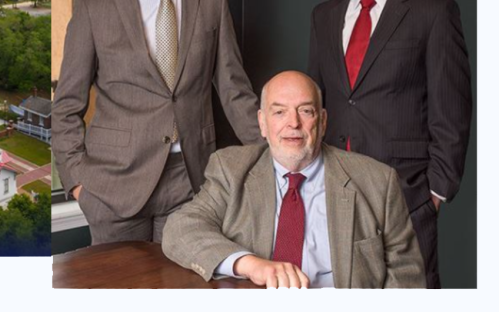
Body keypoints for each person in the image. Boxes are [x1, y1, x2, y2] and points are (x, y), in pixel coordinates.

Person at [52, 0, 259, 244]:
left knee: (184, 278)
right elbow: (67, 104)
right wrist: (77, 182)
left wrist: (276, 158)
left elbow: (234, 91)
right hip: (113, 185)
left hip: (191, 180)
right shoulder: (93, 6)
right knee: (122, 280)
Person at [308, 0, 472, 288]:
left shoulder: (434, 12)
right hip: (333, 191)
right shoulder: (324, 15)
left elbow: (452, 111)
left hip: (406, 192)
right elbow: (316, 100)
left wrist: (434, 193)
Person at [162, 71, 425, 289]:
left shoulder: (377, 182)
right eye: (279, 112)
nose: (293, 123)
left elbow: (407, 278)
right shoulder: (231, 169)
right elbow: (180, 229)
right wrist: (252, 265)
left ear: (322, 121)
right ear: (262, 123)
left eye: (306, 111)